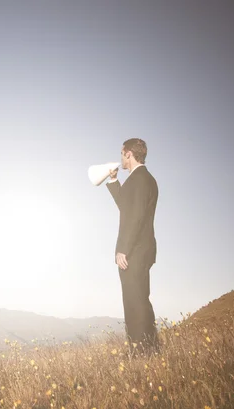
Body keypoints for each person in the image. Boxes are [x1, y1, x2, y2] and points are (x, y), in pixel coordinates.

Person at [107, 138, 159, 354]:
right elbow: (126, 207)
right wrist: (113, 181)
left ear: (129, 153)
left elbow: (135, 217)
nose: (121, 158)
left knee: (134, 302)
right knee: (139, 299)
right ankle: (149, 348)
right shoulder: (143, 179)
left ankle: (140, 353)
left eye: (122, 154)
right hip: (141, 249)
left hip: (134, 251)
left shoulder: (139, 179)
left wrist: (123, 249)